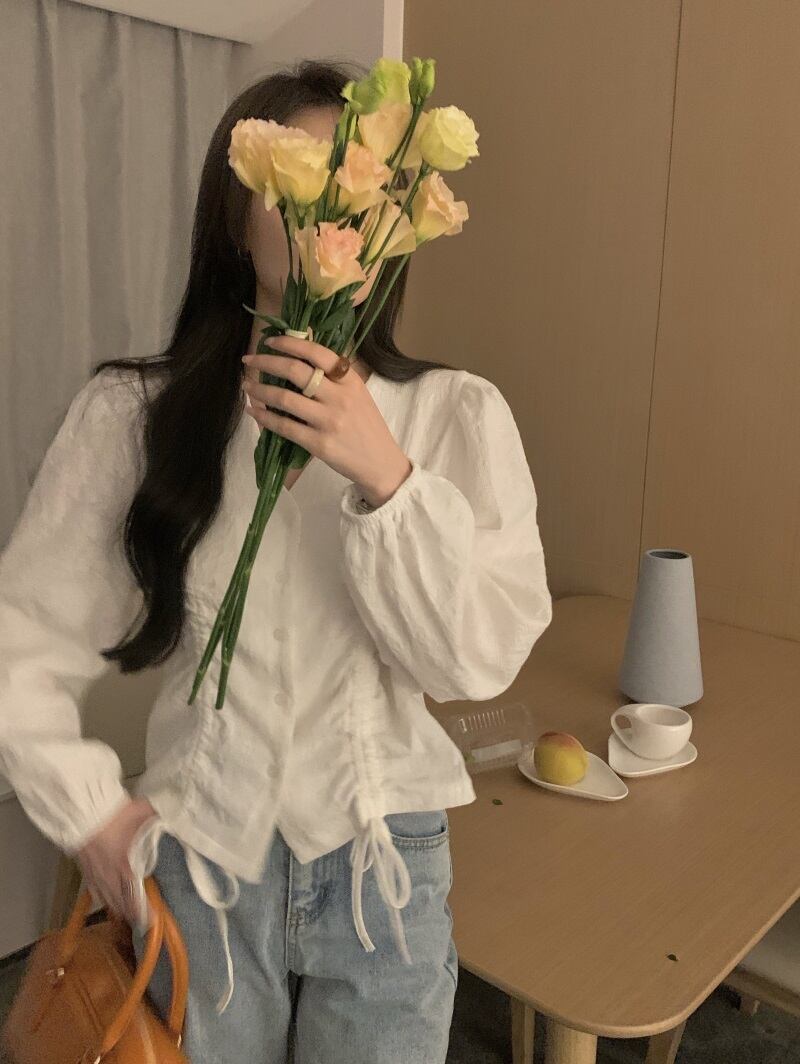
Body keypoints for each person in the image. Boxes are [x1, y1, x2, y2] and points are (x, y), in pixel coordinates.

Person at [0, 59, 552, 1063]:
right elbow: (19, 639)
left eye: (363, 185)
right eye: (300, 181)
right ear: (234, 216)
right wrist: (91, 816)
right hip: (201, 870)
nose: (333, 214)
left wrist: (384, 473)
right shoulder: (134, 416)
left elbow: (475, 663)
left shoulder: (454, 416)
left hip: (385, 876)